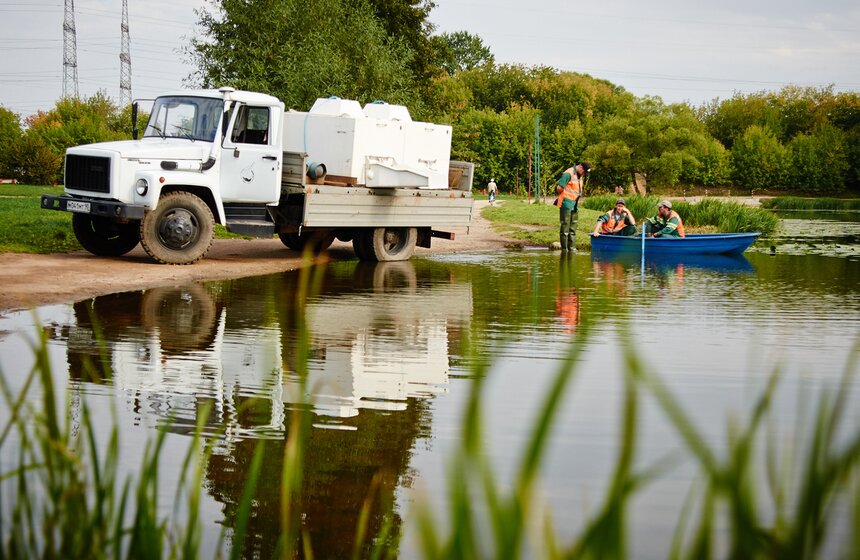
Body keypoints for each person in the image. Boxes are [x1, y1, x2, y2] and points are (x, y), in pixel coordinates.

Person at [554, 161, 591, 252]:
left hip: (574, 204)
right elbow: (559, 188)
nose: (585, 174)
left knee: (573, 227)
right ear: (581, 168)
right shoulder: (568, 173)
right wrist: (563, 197)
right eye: (585, 172)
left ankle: (572, 248)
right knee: (565, 226)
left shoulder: (580, 175)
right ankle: (564, 250)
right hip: (566, 203)